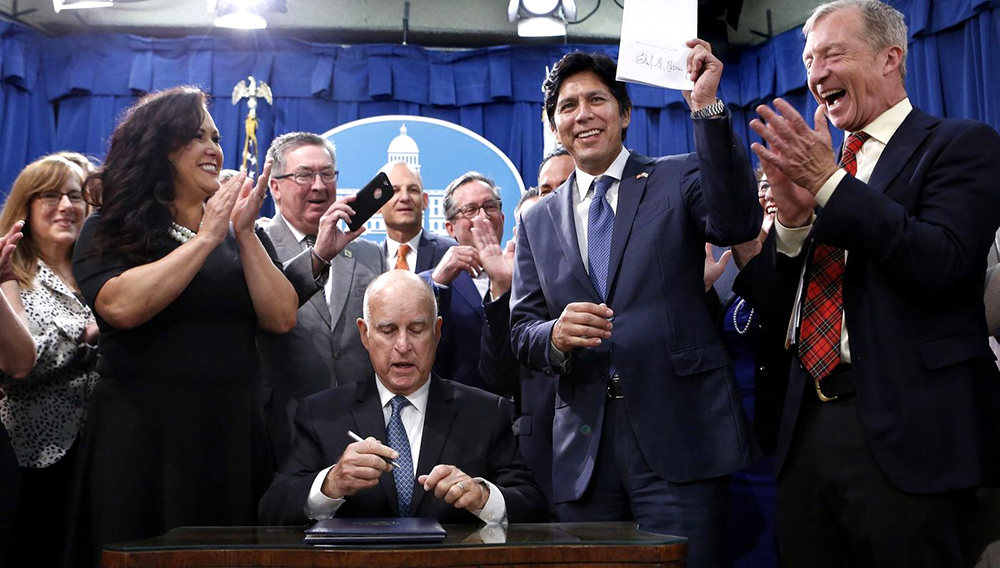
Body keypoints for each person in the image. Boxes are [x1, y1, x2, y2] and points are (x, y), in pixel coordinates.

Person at [739, 1, 1000, 566]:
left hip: (913, 436)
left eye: (833, 53)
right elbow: (773, 305)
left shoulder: (960, 144)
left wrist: (829, 184)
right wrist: (790, 223)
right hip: (806, 431)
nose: (816, 73)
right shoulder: (822, 172)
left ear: (891, 58)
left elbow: (943, 262)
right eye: (809, 60)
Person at [509, 46, 761, 567]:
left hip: (680, 438)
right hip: (586, 451)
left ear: (624, 113)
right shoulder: (537, 219)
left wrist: (707, 110)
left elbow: (736, 222)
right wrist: (554, 334)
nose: (583, 114)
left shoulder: (678, 176)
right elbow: (522, 330)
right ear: (554, 125)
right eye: (568, 105)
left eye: (597, 100)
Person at [66, 86, 299, 567]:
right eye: (197, 137)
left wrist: (244, 233)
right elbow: (121, 307)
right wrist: (205, 238)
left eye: (215, 137)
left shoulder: (239, 231)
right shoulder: (111, 227)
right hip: (144, 438)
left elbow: (280, 316)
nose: (215, 149)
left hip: (231, 435)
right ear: (160, 148)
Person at [258, 270, 547, 526]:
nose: (403, 346)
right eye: (388, 330)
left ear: (437, 332)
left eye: (417, 330)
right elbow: (272, 510)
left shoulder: (485, 412)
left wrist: (483, 497)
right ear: (364, 334)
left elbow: (532, 506)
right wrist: (331, 483)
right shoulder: (322, 414)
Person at [257, 132, 386, 467]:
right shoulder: (254, 245)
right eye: (304, 175)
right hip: (281, 424)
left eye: (327, 174)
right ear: (275, 186)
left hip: (360, 427)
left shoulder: (369, 253)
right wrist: (319, 255)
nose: (318, 185)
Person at [0, 155, 99, 567]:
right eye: (51, 195)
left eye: (75, 196)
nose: (66, 206)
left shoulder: (98, 269)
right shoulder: (11, 274)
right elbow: (18, 361)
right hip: (34, 457)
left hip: (99, 449)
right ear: (24, 206)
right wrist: (86, 336)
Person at [421, 172, 518, 394]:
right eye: (470, 210)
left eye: (490, 207)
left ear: (502, 218)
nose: (482, 217)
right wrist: (438, 283)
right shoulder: (433, 283)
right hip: (457, 414)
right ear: (450, 228)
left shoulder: (526, 275)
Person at [380, 161, 455, 272]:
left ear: (425, 201)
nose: (404, 198)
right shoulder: (367, 259)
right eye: (394, 191)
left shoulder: (450, 252)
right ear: (378, 205)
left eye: (413, 190)